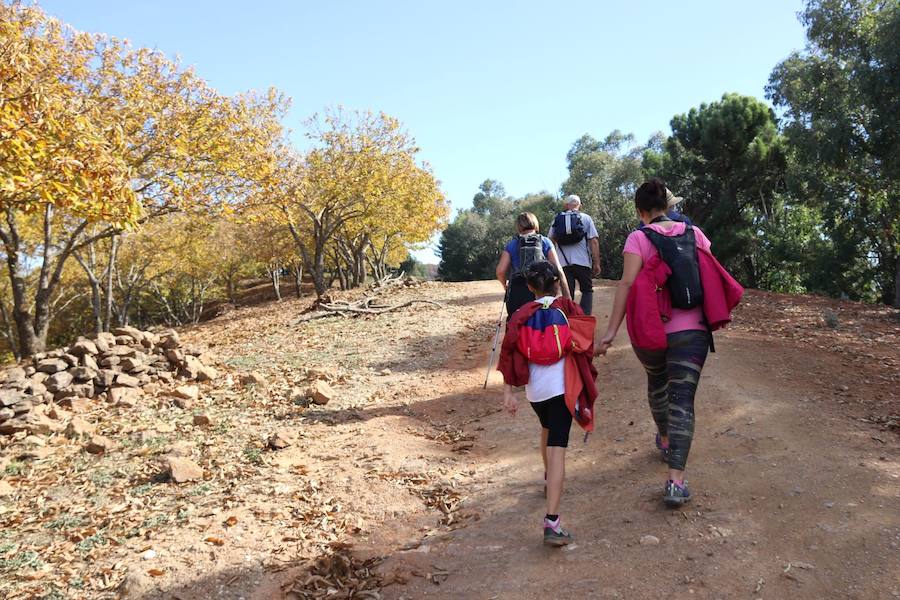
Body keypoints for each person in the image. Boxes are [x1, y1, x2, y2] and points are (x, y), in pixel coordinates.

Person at [596, 177, 741, 507]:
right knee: (683, 400)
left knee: (657, 381)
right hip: (693, 333)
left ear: (640, 211)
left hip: (651, 333)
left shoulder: (638, 238)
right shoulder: (695, 234)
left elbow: (627, 285)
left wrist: (610, 332)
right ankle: (676, 481)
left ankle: (663, 437)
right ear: (669, 206)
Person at [496, 261, 597, 547]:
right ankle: (552, 522)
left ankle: (546, 477)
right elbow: (585, 343)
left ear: (529, 288)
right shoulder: (567, 308)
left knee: (546, 428)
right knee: (558, 450)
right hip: (561, 388)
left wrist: (508, 393)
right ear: (557, 283)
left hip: (535, 393)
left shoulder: (520, 315)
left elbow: (508, 353)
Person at [495, 212, 571, 318]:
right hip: (541, 289)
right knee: (543, 324)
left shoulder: (512, 244)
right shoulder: (545, 241)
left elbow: (500, 271)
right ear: (535, 223)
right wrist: (567, 298)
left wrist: (506, 286)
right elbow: (558, 269)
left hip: (517, 290)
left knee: (517, 323)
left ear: (518, 226)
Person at [549, 194, 601, 314]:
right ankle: (584, 319)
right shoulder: (586, 218)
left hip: (563, 264)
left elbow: (550, 240)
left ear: (566, 205)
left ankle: (569, 322)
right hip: (583, 262)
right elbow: (593, 241)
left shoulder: (557, 219)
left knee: (568, 294)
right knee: (587, 290)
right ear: (580, 206)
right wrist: (597, 262)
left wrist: (552, 263)